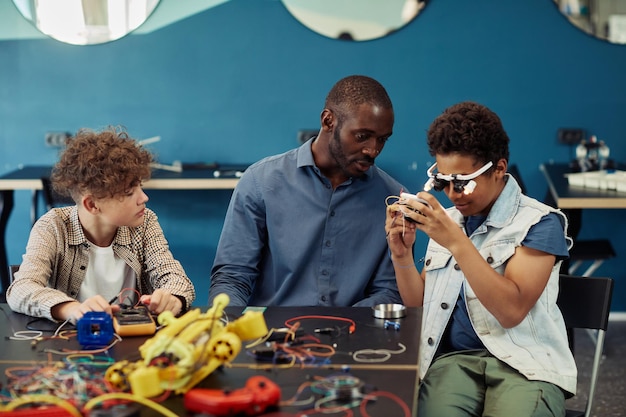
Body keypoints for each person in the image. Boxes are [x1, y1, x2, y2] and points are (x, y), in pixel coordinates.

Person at [385, 101, 576, 416]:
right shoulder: (449, 221)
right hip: (454, 362)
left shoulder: (540, 223)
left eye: (462, 183)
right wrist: (401, 253)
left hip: (524, 364)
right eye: (443, 182)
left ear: (499, 169)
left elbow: (511, 311)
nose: (452, 194)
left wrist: (456, 241)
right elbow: (419, 305)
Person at [210, 75, 404, 307]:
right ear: (328, 121)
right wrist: (229, 329)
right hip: (271, 337)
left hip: (356, 337)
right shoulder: (261, 182)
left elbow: (389, 290)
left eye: (382, 140)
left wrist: (342, 327)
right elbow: (233, 277)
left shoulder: (392, 198)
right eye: (362, 136)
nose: (373, 150)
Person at [7, 127, 195, 323]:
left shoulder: (145, 222)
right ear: (92, 204)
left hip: (133, 340)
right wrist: (71, 309)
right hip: (70, 343)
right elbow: (21, 288)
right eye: (129, 192)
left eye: (140, 186)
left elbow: (175, 277)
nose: (144, 198)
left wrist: (173, 298)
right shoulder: (53, 226)